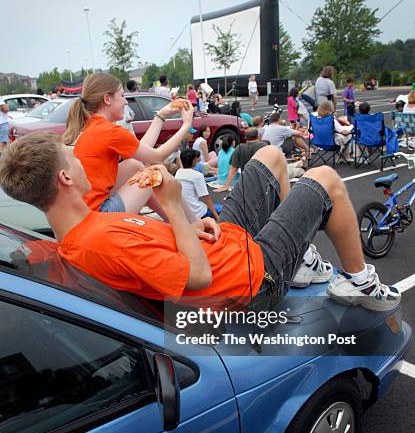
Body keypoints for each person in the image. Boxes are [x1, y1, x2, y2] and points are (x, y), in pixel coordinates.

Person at [0, 132, 400, 311]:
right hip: (251, 279)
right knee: (326, 179)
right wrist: (173, 205)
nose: (80, 160)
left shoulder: (86, 230)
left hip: (228, 244)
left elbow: (152, 252)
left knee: (268, 157)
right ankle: (359, 282)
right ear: (66, 178)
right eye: (73, 158)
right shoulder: (99, 240)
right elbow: (198, 279)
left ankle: (302, 262)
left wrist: (186, 227)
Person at [63, 72, 195, 215]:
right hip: (97, 215)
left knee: (134, 165)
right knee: (152, 175)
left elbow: (142, 151)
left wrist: (161, 115)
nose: (126, 102)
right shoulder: (110, 131)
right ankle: (192, 225)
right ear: (107, 99)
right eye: (122, 96)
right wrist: (186, 124)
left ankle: (189, 223)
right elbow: (157, 157)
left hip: (83, 210)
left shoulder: (93, 125)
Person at [214, 127, 269, 192]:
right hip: (263, 182)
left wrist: (226, 186)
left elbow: (233, 169)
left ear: (245, 137)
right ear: (258, 136)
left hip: (246, 182)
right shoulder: (265, 145)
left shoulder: (240, 148)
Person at [175, 149, 222, 220]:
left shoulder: (178, 173)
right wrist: (216, 216)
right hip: (198, 212)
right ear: (194, 160)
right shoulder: (197, 175)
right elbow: (206, 199)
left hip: (183, 212)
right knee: (222, 209)